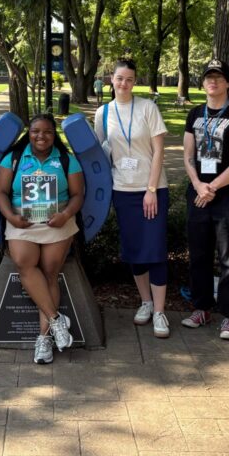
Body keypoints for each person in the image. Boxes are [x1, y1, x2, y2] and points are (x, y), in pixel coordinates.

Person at [0, 114, 85, 364]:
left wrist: (66, 214)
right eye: (36, 131)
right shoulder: (14, 158)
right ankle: (56, 321)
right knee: (24, 262)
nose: (41, 136)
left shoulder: (66, 160)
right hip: (22, 222)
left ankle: (44, 340)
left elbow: (78, 194)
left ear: (54, 135)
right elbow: (1, 192)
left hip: (56, 221)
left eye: (47, 132)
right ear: (29, 132)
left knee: (49, 271)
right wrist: (11, 217)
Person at [93, 58, 171, 338]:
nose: (123, 83)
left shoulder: (147, 108)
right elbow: (101, 154)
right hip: (123, 191)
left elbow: (159, 151)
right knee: (135, 250)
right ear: (111, 80)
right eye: (119, 78)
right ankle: (146, 303)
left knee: (156, 250)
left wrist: (151, 190)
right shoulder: (102, 113)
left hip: (151, 189)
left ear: (134, 82)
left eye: (129, 79)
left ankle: (160, 311)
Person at [181, 59, 229, 340]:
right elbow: (188, 155)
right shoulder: (194, 114)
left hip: (228, 196)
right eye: (208, 77)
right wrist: (198, 185)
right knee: (198, 255)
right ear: (203, 82)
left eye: (219, 77)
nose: (213, 81)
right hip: (199, 194)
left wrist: (211, 186)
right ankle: (201, 308)